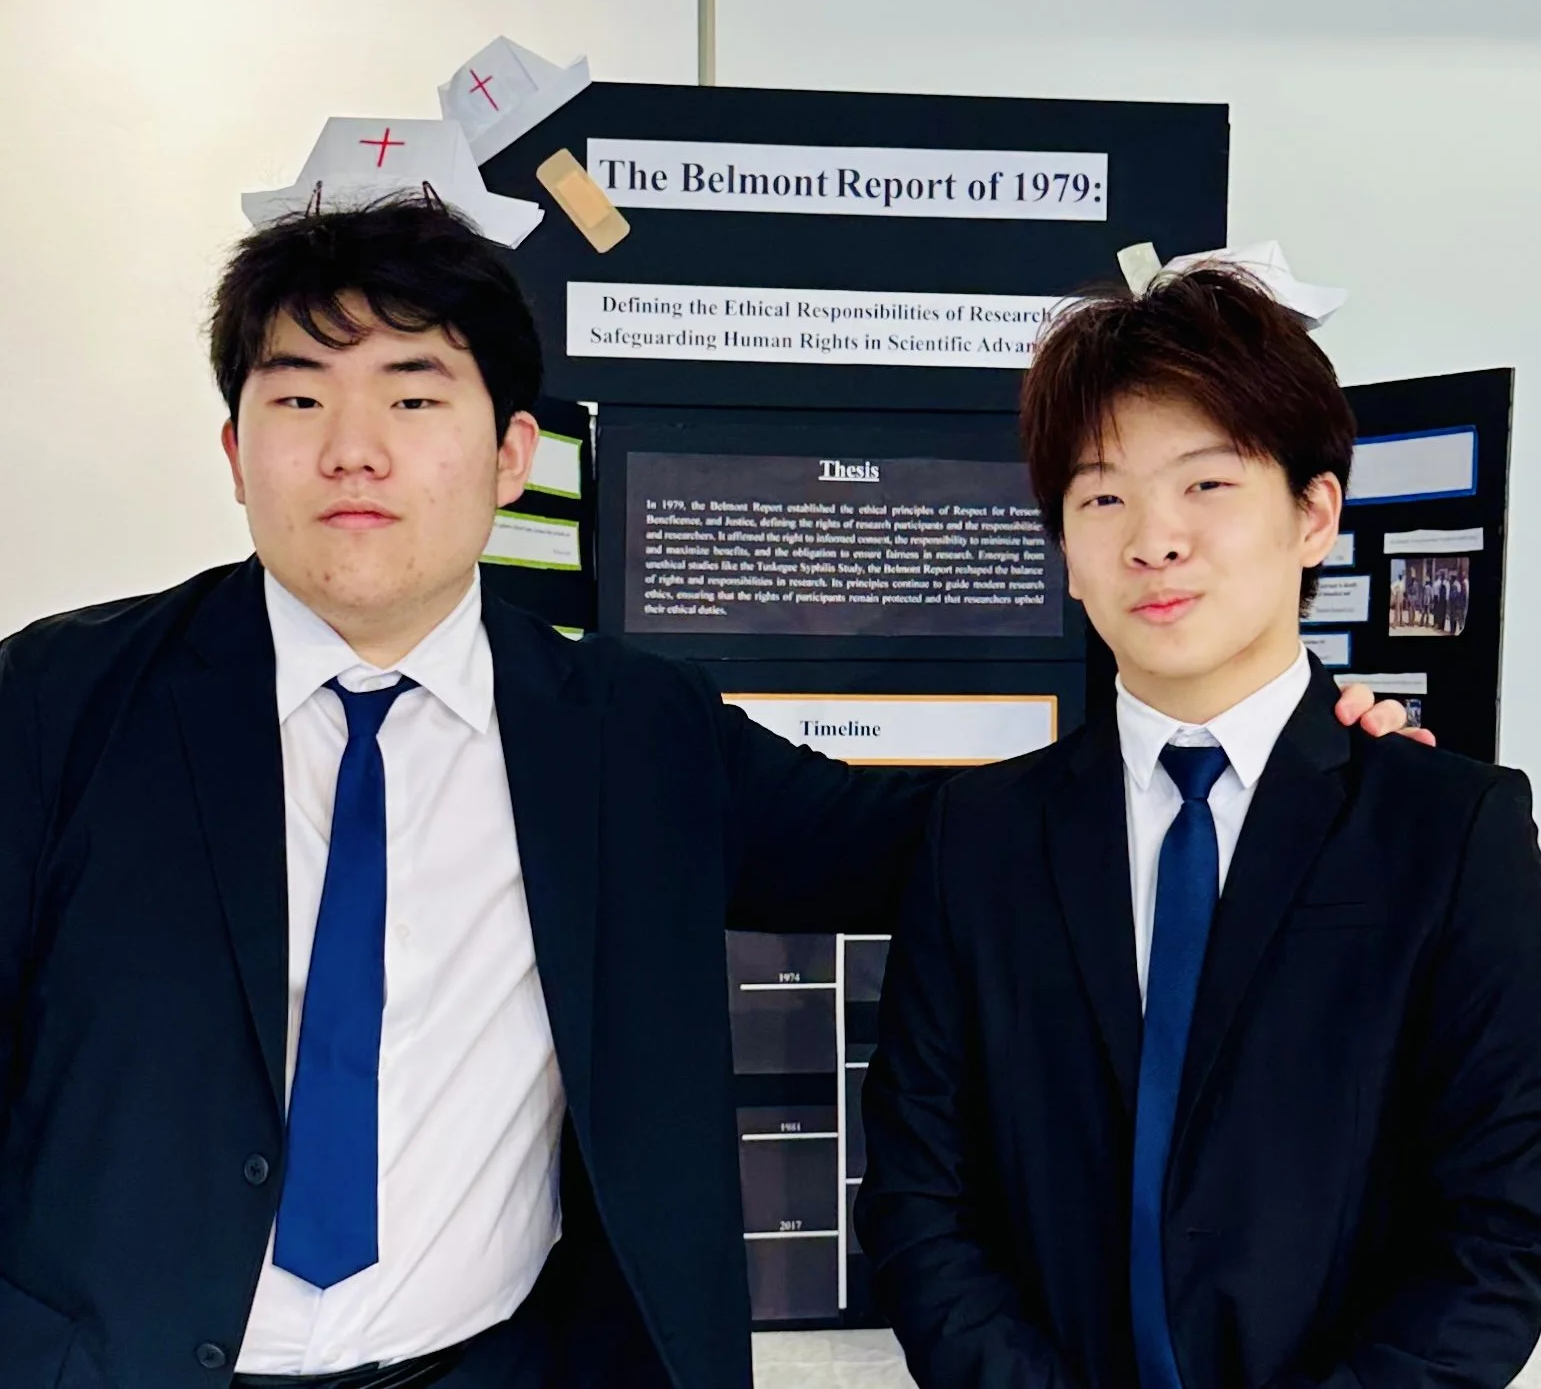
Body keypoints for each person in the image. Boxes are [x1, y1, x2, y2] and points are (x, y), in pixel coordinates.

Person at [0, 203, 1418, 1389]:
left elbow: (956, 841)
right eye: (297, 397)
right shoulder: (57, 708)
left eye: (414, 396)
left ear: (509, 454)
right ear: (236, 450)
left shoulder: (630, 735)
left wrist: (1269, 750)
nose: (352, 447)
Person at [856, 267, 1541, 1389]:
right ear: (1064, 551)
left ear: (1311, 513)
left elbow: (1499, 1228)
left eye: (1206, 483)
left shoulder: (1449, 828)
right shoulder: (977, 838)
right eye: (1099, 498)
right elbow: (918, 1202)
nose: (1151, 540)